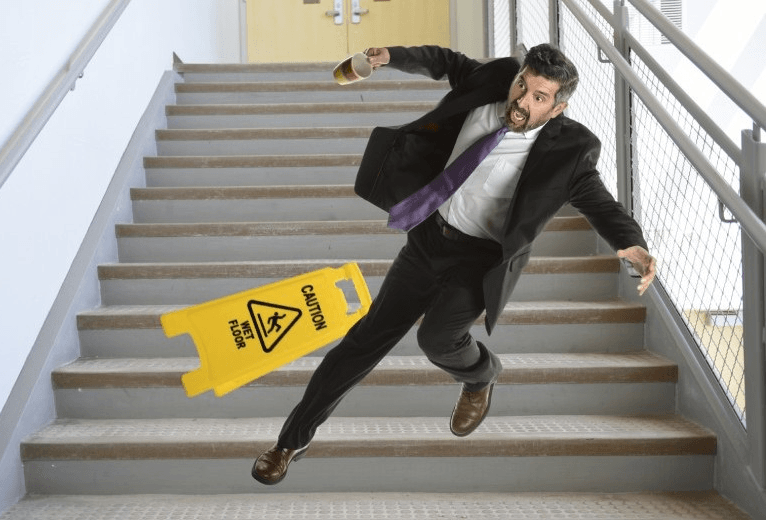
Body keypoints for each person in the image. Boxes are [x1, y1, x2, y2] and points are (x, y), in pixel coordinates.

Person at [251, 43, 657, 485]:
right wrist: (392, 56)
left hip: (477, 261)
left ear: (557, 108)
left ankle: (482, 375)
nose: (521, 100)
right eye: (522, 84)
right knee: (362, 342)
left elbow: (599, 202)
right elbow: (445, 62)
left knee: (437, 338)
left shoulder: (572, 150)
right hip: (428, 240)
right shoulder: (494, 81)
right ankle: (289, 442)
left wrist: (630, 244)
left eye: (539, 97)